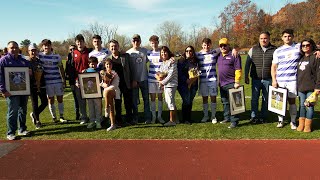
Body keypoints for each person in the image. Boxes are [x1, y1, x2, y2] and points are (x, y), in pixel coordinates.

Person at [0, 41, 30, 140]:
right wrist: (3, 90)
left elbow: (29, 69)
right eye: (11, 48)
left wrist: (30, 70)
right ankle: (11, 132)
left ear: (18, 49)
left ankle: (22, 129)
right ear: (7, 49)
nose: (14, 49)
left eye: (16, 47)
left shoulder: (23, 60)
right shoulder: (3, 60)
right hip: (11, 91)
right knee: (13, 111)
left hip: (23, 90)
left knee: (23, 110)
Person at [245, 31, 277, 124]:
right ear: (259, 39)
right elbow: (247, 64)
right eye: (262, 38)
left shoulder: (274, 49)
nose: (264, 40)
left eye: (265, 38)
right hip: (256, 79)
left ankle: (264, 116)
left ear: (269, 39)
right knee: (254, 98)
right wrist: (246, 76)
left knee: (266, 99)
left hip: (268, 79)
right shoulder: (253, 49)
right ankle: (253, 116)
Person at [271, 29, 300, 129]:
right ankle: (280, 121)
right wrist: (274, 80)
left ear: (293, 36)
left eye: (289, 36)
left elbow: (310, 47)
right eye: (285, 36)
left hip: (292, 80)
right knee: (279, 101)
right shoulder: (278, 51)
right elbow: (274, 66)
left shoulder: (298, 47)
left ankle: (293, 121)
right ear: (282, 37)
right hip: (281, 80)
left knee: (292, 101)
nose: (287, 38)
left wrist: (317, 51)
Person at [39, 39, 66, 123]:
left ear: (51, 46)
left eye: (48, 45)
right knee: (50, 100)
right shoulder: (40, 56)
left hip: (57, 81)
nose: (46, 47)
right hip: (47, 82)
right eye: (44, 45)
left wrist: (63, 79)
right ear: (42, 47)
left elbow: (61, 68)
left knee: (60, 99)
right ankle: (54, 117)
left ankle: (61, 116)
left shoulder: (57, 56)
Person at [107, 39, 133, 126]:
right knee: (117, 103)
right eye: (112, 46)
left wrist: (133, 80)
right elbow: (105, 71)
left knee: (128, 102)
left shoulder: (126, 56)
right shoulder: (108, 59)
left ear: (118, 46)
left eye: (115, 46)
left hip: (126, 82)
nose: (114, 48)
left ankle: (129, 119)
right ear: (109, 48)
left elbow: (132, 69)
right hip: (115, 85)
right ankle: (119, 120)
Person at [217, 38, 242, 128]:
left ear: (228, 45)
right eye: (221, 46)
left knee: (234, 103)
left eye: (225, 45)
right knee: (225, 102)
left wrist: (237, 81)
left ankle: (234, 121)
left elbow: (238, 69)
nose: (223, 47)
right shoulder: (219, 55)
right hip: (222, 83)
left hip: (232, 83)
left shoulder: (233, 54)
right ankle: (227, 117)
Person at [126, 34, 151, 124]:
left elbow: (154, 58)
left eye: (137, 40)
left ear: (140, 41)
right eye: (134, 41)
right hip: (134, 80)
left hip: (144, 78)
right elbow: (128, 68)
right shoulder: (128, 53)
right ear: (132, 42)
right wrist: (133, 79)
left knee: (146, 100)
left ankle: (148, 117)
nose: (136, 42)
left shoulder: (145, 51)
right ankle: (135, 118)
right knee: (134, 101)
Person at [296, 38, 318, 132]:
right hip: (301, 87)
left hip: (311, 87)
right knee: (301, 106)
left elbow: (318, 73)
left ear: (311, 45)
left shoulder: (315, 57)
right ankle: (301, 124)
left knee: (309, 106)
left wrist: (318, 87)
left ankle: (308, 126)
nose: (305, 47)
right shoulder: (300, 57)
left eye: (307, 45)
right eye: (303, 45)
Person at [196, 38, 219, 124]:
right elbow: (188, 54)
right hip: (203, 80)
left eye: (208, 45)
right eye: (205, 45)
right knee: (204, 98)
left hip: (213, 79)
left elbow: (225, 47)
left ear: (211, 44)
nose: (206, 46)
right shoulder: (198, 54)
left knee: (213, 97)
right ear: (202, 45)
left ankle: (213, 116)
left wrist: (234, 49)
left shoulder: (214, 52)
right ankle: (205, 116)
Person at [156, 46, 178, 126]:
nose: (163, 54)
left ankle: (172, 121)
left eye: (165, 52)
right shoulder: (163, 63)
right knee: (169, 101)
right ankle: (176, 119)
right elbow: (160, 72)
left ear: (168, 53)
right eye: (162, 52)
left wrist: (162, 82)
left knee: (170, 102)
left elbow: (171, 75)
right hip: (166, 85)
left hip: (171, 84)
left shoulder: (172, 62)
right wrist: (158, 76)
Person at [177, 46, 199, 124]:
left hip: (194, 84)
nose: (188, 52)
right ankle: (185, 119)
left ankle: (189, 118)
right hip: (183, 85)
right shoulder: (181, 61)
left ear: (193, 52)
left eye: (190, 51)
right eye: (187, 51)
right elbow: (179, 73)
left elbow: (197, 71)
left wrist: (195, 77)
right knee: (186, 101)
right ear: (185, 52)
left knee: (190, 101)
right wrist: (186, 80)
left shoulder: (196, 61)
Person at [28, 44, 47, 129]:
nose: (33, 52)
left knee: (45, 102)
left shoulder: (40, 61)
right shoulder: (27, 62)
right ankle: (37, 121)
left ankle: (34, 114)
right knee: (34, 103)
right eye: (31, 50)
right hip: (32, 86)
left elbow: (42, 72)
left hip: (41, 85)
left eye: (34, 50)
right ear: (28, 51)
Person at [147, 35, 165, 124]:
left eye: (155, 42)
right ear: (150, 44)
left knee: (160, 98)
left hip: (160, 79)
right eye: (152, 43)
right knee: (153, 99)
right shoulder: (148, 53)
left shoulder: (161, 52)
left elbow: (168, 59)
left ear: (158, 42)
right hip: (151, 79)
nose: (154, 44)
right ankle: (154, 117)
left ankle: (159, 116)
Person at [73, 34, 90, 124]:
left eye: (81, 41)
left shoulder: (89, 51)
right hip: (78, 80)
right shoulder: (73, 53)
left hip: (89, 79)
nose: (79, 43)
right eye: (78, 42)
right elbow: (72, 68)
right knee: (81, 100)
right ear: (76, 43)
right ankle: (83, 116)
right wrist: (74, 80)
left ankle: (92, 116)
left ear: (84, 42)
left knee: (91, 99)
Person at [100, 58, 120, 131]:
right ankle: (112, 124)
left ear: (112, 65)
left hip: (114, 90)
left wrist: (107, 86)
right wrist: (103, 85)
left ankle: (106, 109)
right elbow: (101, 83)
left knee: (107, 92)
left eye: (110, 64)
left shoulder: (114, 73)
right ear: (105, 65)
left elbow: (115, 84)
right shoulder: (103, 73)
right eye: (107, 64)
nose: (108, 66)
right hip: (107, 91)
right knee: (111, 105)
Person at [82, 57, 102, 129]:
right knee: (90, 108)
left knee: (98, 107)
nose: (93, 66)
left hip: (97, 93)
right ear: (89, 64)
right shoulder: (86, 71)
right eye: (91, 64)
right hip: (89, 93)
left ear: (97, 64)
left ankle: (98, 121)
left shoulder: (99, 71)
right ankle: (92, 121)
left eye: (94, 64)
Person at [65, 44, 80, 120]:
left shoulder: (78, 57)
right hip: (73, 81)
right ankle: (77, 114)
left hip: (81, 80)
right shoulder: (68, 61)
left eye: (74, 49)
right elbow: (67, 73)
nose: (72, 51)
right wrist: (71, 83)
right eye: (70, 49)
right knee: (76, 98)